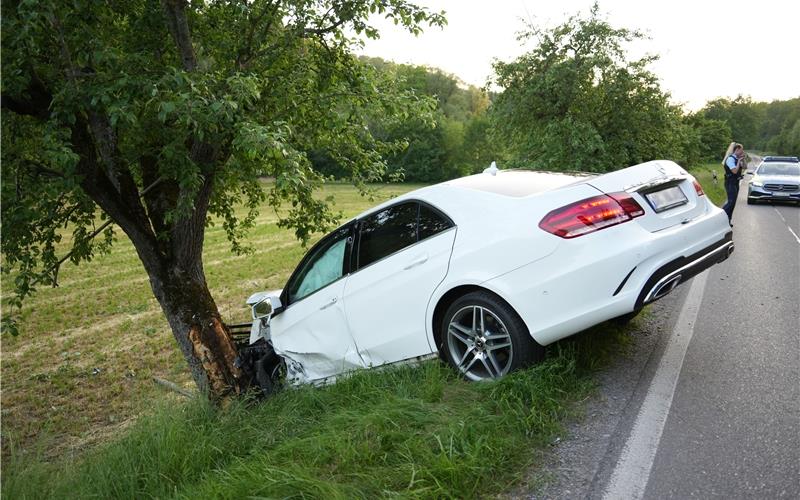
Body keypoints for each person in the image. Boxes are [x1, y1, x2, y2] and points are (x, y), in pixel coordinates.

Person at [721, 142, 746, 225]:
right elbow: (734, 171)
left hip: (736, 182)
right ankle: (720, 216)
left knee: (733, 202)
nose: (742, 153)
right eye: (741, 151)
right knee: (731, 202)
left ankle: (727, 220)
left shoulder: (737, 158)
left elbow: (745, 167)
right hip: (730, 182)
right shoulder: (730, 159)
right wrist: (739, 161)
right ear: (737, 150)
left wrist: (743, 159)